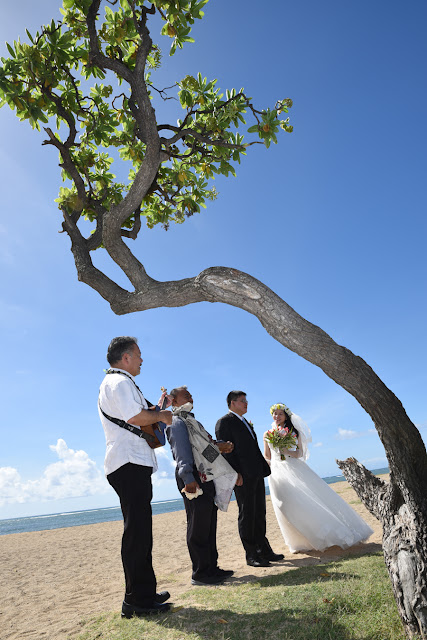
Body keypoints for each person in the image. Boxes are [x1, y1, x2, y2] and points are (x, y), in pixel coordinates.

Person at [98, 336, 174, 617]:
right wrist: (163, 416)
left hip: (130, 463)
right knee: (137, 534)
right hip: (128, 463)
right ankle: (135, 602)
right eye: (139, 355)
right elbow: (136, 418)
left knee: (141, 532)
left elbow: (138, 414)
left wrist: (156, 410)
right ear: (126, 358)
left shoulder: (118, 383)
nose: (142, 359)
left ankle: (144, 593)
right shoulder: (119, 382)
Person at [264, 403, 374, 553]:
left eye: (280, 414)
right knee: (283, 506)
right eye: (275, 414)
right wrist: (270, 466)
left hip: (293, 468)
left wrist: (285, 451)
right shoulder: (267, 434)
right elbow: (267, 455)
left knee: (301, 503)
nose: (277, 416)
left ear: (286, 417)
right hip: (276, 472)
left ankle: (321, 537)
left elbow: (299, 453)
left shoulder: (293, 432)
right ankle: (296, 542)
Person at [166, 386, 237, 586]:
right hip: (193, 476)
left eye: (191, 394)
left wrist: (220, 448)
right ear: (173, 401)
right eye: (185, 395)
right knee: (198, 525)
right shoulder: (177, 421)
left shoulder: (192, 421)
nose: (191, 397)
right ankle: (200, 573)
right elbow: (182, 452)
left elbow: (205, 451)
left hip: (205, 475)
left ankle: (211, 568)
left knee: (208, 523)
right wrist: (188, 477)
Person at [215, 391, 284, 567]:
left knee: (259, 512)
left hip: (256, 474)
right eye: (242, 401)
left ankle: (264, 550)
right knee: (247, 514)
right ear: (232, 403)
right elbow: (225, 451)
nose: (246, 403)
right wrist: (234, 473)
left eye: (246, 400)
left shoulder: (246, 422)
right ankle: (251, 554)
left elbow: (253, 448)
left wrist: (263, 466)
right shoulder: (224, 422)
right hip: (242, 476)